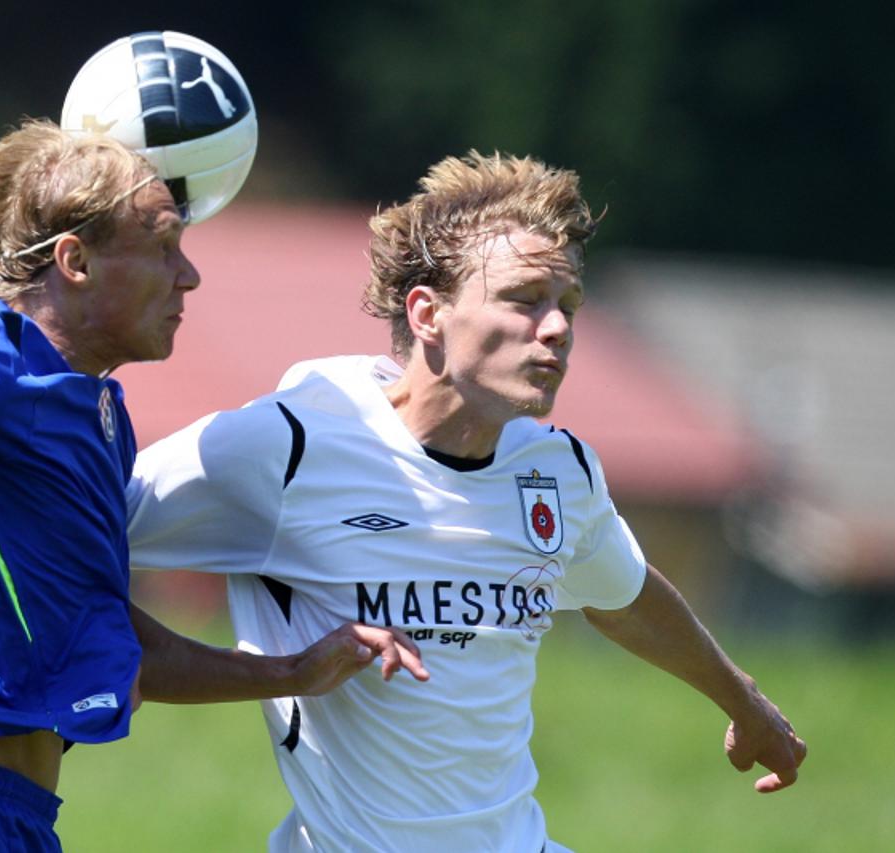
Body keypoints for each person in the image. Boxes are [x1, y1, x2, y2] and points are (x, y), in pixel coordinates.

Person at [126, 150, 807, 852]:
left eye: (568, 305)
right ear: (428, 313)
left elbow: (625, 597)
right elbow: (60, 541)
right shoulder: (287, 445)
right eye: (523, 299)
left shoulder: (558, 469)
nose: (557, 328)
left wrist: (742, 699)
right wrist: (232, 671)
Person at [0, 118, 426, 852]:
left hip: (19, 820)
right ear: (75, 261)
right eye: (164, 247)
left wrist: (291, 670)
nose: (188, 275)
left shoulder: (98, 414)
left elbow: (108, 634)